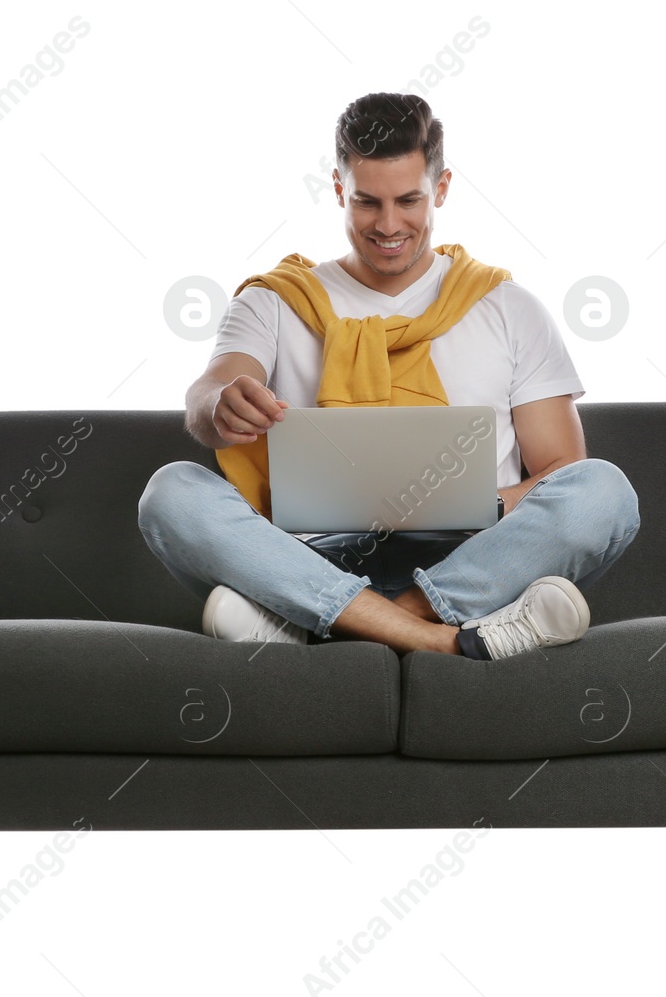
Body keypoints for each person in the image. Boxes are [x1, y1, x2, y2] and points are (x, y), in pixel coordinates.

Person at [138, 92, 639, 660]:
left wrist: (480, 503)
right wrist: (219, 403)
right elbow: (210, 392)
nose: (389, 224)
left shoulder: (507, 306)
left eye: (409, 200)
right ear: (337, 190)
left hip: (473, 556)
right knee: (171, 493)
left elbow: (562, 473)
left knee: (605, 493)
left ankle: (331, 624)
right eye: (366, 202)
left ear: (441, 189)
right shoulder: (275, 301)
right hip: (307, 555)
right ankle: (446, 641)